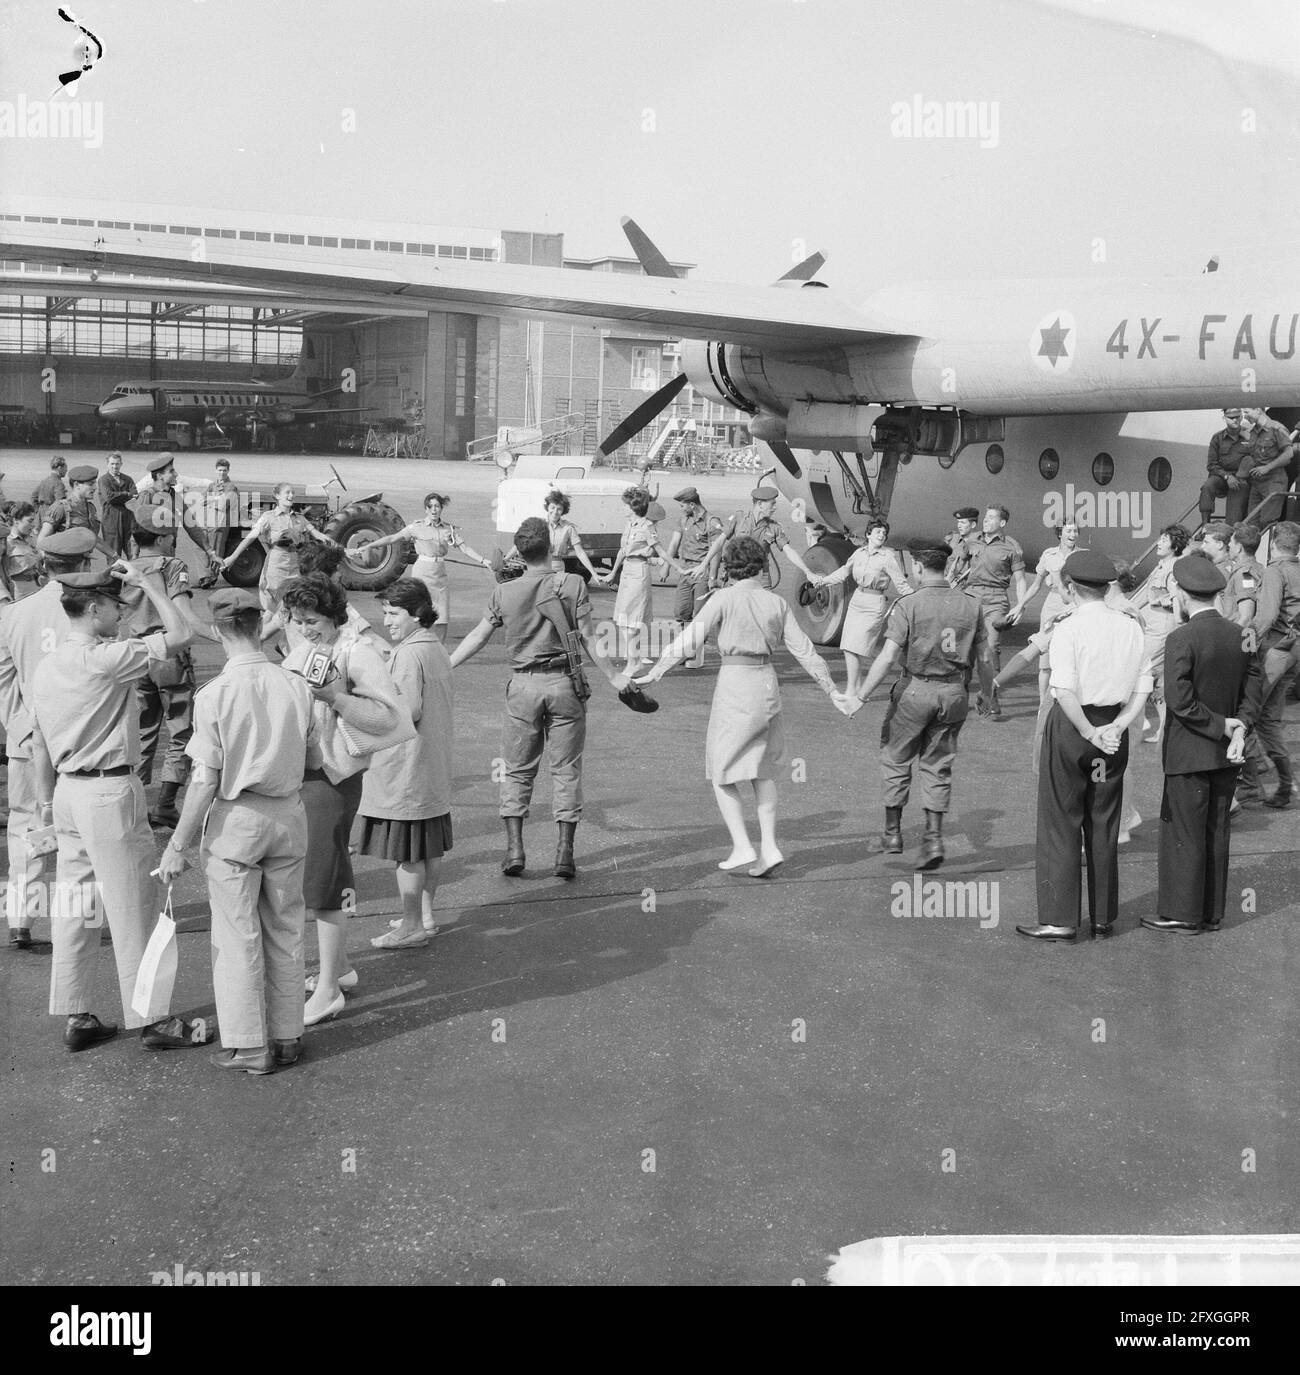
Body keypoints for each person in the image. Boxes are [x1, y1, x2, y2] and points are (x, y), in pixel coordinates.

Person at [30, 561, 213, 1054]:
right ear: (94, 609)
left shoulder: (46, 666)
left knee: (75, 908)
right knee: (134, 907)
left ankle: (78, 1012)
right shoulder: (106, 657)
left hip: (67, 793)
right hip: (109, 791)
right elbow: (178, 633)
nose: (120, 610)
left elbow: (40, 746)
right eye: (114, 604)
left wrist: (47, 807)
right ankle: (152, 1017)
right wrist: (150, 582)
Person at [156, 588, 319, 1074]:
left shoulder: (215, 695)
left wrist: (177, 844)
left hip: (238, 820)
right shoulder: (296, 685)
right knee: (287, 927)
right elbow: (312, 759)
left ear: (220, 630)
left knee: (237, 934)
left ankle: (249, 1044)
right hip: (289, 814)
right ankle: (289, 1034)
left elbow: (204, 780)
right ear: (257, 624)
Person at [636, 535, 843, 878]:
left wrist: (655, 672)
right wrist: (832, 689)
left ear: (730, 568)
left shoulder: (723, 598)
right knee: (762, 770)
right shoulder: (775, 603)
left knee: (721, 770)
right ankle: (770, 846)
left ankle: (743, 845)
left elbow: (688, 641)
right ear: (761, 567)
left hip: (736, 684)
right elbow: (805, 650)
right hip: (767, 683)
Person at [449, 517, 625, 881]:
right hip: (565, 685)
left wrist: (445, 664)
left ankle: (515, 849)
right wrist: (614, 676)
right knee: (565, 770)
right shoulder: (573, 583)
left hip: (523, 687)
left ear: (521, 552)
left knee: (516, 770)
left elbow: (479, 636)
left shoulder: (504, 592)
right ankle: (564, 853)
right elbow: (590, 638)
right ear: (551, 548)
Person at [281, 574, 399, 1026]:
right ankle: (341, 968)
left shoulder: (358, 649)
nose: (303, 628)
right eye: (296, 620)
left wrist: (337, 698)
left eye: (311, 620)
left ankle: (328, 989)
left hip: (331, 779)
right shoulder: (323, 644)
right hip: (311, 775)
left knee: (325, 883)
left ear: (333, 616)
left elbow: (390, 717)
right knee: (324, 876)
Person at [1017, 550, 1153, 941]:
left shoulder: (1069, 628)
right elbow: (1144, 684)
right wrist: (1119, 725)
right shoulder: (1130, 626)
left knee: (1061, 820)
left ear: (1071, 589)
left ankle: (1059, 918)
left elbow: (1063, 690)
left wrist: (1090, 732)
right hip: (1114, 726)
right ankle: (1103, 917)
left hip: (1075, 729)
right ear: (1108, 586)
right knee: (1104, 820)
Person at [841, 542, 984, 868]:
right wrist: (988, 694)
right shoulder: (971, 605)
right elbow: (986, 657)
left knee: (895, 758)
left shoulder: (909, 604)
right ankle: (933, 840)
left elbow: (888, 656)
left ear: (918, 568)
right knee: (938, 765)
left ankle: (893, 834)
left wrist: (861, 696)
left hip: (915, 692)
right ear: (944, 566)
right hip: (954, 694)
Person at [1141, 557, 1261, 935]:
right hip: (1228, 754)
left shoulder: (1181, 638)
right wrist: (1239, 728)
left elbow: (1180, 701)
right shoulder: (1242, 634)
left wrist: (1221, 726)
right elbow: (1253, 689)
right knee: (1216, 831)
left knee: (1184, 832)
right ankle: (1210, 912)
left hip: (1190, 750)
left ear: (1181, 591)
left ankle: (1182, 913)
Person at [0, 528, 98, 951]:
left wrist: (19, 724)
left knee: (26, 828)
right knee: (83, 838)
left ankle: (20, 918)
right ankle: (77, 923)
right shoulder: (93, 610)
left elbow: (4, 679)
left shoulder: (17, 613)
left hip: (27, 736)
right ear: (82, 563)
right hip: (82, 738)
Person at [358, 580, 455, 950]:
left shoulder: (407, 654)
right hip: (433, 765)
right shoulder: (434, 647)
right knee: (428, 848)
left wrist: (366, 698)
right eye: (384, 612)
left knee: (408, 853)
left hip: (408, 771)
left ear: (416, 614)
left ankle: (411, 925)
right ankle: (425, 917)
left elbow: (407, 710)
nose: (387, 621)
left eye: (394, 613)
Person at [121, 500, 204, 830]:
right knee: (182, 730)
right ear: (162, 537)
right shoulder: (173, 565)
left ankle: (137, 804)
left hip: (137, 656)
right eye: (171, 534)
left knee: (142, 733)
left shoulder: (124, 569)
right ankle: (166, 804)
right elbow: (186, 618)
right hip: (169, 656)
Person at [353, 492, 492, 642]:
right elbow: (393, 538)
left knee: (442, 617)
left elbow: (465, 548)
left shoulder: (448, 529)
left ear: (441, 509)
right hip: (421, 573)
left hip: (439, 575)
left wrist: (484, 560)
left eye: (437, 506)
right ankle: (416, 643)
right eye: (430, 507)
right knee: (417, 612)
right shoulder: (416, 527)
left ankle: (439, 648)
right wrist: (369, 545)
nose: (434, 510)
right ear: (426, 509)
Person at [811, 518, 911, 697]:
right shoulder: (858, 554)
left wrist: (919, 599)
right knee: (848, 646)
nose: (882, 535)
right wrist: (823, 581)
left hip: (874, 603)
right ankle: (854, 688)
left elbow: (901, 584)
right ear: (868, 534)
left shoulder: (888, 557)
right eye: (878, 532)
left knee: (856, 646)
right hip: (857, 601)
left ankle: (852, 689)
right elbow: (843, 572)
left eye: (884, 533)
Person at [219, 481, 337, 614]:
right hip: (276, 566)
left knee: (293, 605)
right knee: (271, 608)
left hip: (295, 566)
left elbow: (318, 535)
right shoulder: (268, 517)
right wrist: (232, 558)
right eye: (287, 492)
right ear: (277, 496)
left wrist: (342, 549)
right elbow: (249, 538)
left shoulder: (300, 519)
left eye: (292, 493)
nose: (291, 495)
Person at [603, 486, 686, 674]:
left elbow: (662, 551)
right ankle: (634, 660)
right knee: (623, 619)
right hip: (626, 573)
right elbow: (623, 551)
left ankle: (634, 663)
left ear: (633, 507)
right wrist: (612, 572)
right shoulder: (629, 525)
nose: (623, 508)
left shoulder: (647, 527)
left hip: (639, 572)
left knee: (632, 620)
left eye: (625, 505)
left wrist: (678, 568)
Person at [1248, 520, 1300, 809]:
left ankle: (1248, 786)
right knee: (1268, 720)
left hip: (1275, 650)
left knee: (1245, 710)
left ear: (1273, 544)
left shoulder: (1274, 571)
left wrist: (1246, 642)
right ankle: (1284, 785)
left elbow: (1266, 616)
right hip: (1295, 650)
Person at [964, 505, 1027, 719]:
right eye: (986, 517)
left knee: (990, 648)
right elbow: (955, 568)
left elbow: (1020, 580)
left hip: (996, 600)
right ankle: (960, 696)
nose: (986, 520)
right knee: (963, 648)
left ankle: (990, 697)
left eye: (992, 518)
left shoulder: (1011, 547)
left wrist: (1021, 605)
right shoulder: (971, 540)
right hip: (970, 597)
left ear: (1002, 523)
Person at [704, 485, 819, 593]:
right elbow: (720, 541)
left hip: (761, 582)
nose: (775, 508)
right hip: (736, 579)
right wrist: (703, 565)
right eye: (772, 504)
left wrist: (807, 571)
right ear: (760, 504)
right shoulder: (739, 518)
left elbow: (789, 551)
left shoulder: (774, 527)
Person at [1136, 524, 1191, 743]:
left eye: (1164, 540)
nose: (1159, 542)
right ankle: (1164, 729)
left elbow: (1177, 597)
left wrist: (1161, 601)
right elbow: (1144, 595)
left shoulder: (1174, 569)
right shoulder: (1162, 565)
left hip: (1163, 628)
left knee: (1139, 671)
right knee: (1158, 679)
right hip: (1153, 626)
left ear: (1175, 545)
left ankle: (1140, 722)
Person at [665, 486, 724, 652]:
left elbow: (716, 552)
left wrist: (712, 578)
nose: (681, 509)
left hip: (702, 572)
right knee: (681, 611)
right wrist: (666, 566)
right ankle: (684, 648)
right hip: (685, 570)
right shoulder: (684, 519)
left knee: (700, 615)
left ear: (692, 504)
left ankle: (695, 653)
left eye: (682, 505)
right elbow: (674, 543)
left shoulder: (712, 522)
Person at [135, 454, 215, 568]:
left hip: (169, 553)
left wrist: (210, 552)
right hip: (150, 557)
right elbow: (136, 529)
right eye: (171, 471)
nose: (176, 474)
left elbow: (192, 526)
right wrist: (134, 558)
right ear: (160, 476)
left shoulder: (174, 496)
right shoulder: (147, 496)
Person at [1239, 407, 1295, 526]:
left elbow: (1288, 454)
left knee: (1267, 522)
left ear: (1258, 411)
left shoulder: (1276, 428)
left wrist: (1267, 467)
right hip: (1257, 482)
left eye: (1247, 413)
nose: (1245, 417)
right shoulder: (1254, 431)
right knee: (1251, 522)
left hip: (1274, 480)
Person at [1198, 408, 1253, 527]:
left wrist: (1249, 438)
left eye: (1237, 417)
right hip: (1221, 476)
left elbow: (1258, 457)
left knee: (1238, 489)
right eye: (1231, 417)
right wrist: (1227, 477)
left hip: (1241, 477)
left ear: (1242, 417)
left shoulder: (1250, 436)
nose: (1235, 420)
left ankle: (1231, 528)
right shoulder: (1217, 438)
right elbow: (1211, 465)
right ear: (1224, 418)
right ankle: (1205, 525)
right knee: (1208, 486)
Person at [38, 465, 105, 552]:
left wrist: (116, 557)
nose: (95, 487)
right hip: (62, 562)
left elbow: (94, 538)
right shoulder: (60, 508)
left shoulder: (90, 508)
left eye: (95, 483)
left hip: (82, 562)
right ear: (77, 485)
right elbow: (41, 541)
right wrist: (51, 561)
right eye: (91, 484)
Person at [544, 489, 602, 580]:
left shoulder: (568, 528)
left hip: (558, 569)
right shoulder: (538, 525)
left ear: (563, 511)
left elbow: (580, 552)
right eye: (552, 507)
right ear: (547, 507)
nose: (555, 511)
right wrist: (512, 557)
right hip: (541, 569)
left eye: (559, 509)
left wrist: (594, 573)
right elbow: (519, 543)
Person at [97, 451, 137, 557]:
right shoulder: (103, 480)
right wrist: (126, 494)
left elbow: (135, 495)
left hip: (128, 521)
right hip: (111, 522)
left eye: (117, 464)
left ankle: (134, 573)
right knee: (114, 556)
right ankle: (114, 574)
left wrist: (118, 497)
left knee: (133, 554)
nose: (115, 466)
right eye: (112, 464)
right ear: (107, 464)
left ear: (121, 464)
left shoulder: (128, 479)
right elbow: (109, 497)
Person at [2, 503, 41, 601]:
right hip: (19, 592)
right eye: (30, 521)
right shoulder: (5, 542)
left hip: (38, 587)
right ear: (16, 521)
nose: (33, 525)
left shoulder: (32, 538)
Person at [206, 458, 240, 560]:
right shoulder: (212, 485)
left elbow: (223, 505)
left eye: (224, 470)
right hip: (210, 523)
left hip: (221, 524)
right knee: (208, 549)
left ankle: (214, 575)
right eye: (220, 470)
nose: (222, 473)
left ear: (228, 471)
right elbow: (202, 501)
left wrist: (211, 500)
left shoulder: (231, 487)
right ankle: (208, 574)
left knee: (217, 549)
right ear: (216, 470)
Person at [944, 507, 981, 585]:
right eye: (958, 522)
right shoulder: (952, 540)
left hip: (971, 588)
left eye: (963, 523)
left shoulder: (982, 544)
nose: (959, 526)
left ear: (973, 525)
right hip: (950, 586)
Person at [31, 456, 67, 523]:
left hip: (40, 517)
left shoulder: (44, 481)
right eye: (65, 468)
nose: (66, 470)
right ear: (59, 468)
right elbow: (60, 503)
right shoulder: (59, 483)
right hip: (51, 518)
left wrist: (38, 511)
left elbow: (33, 497)